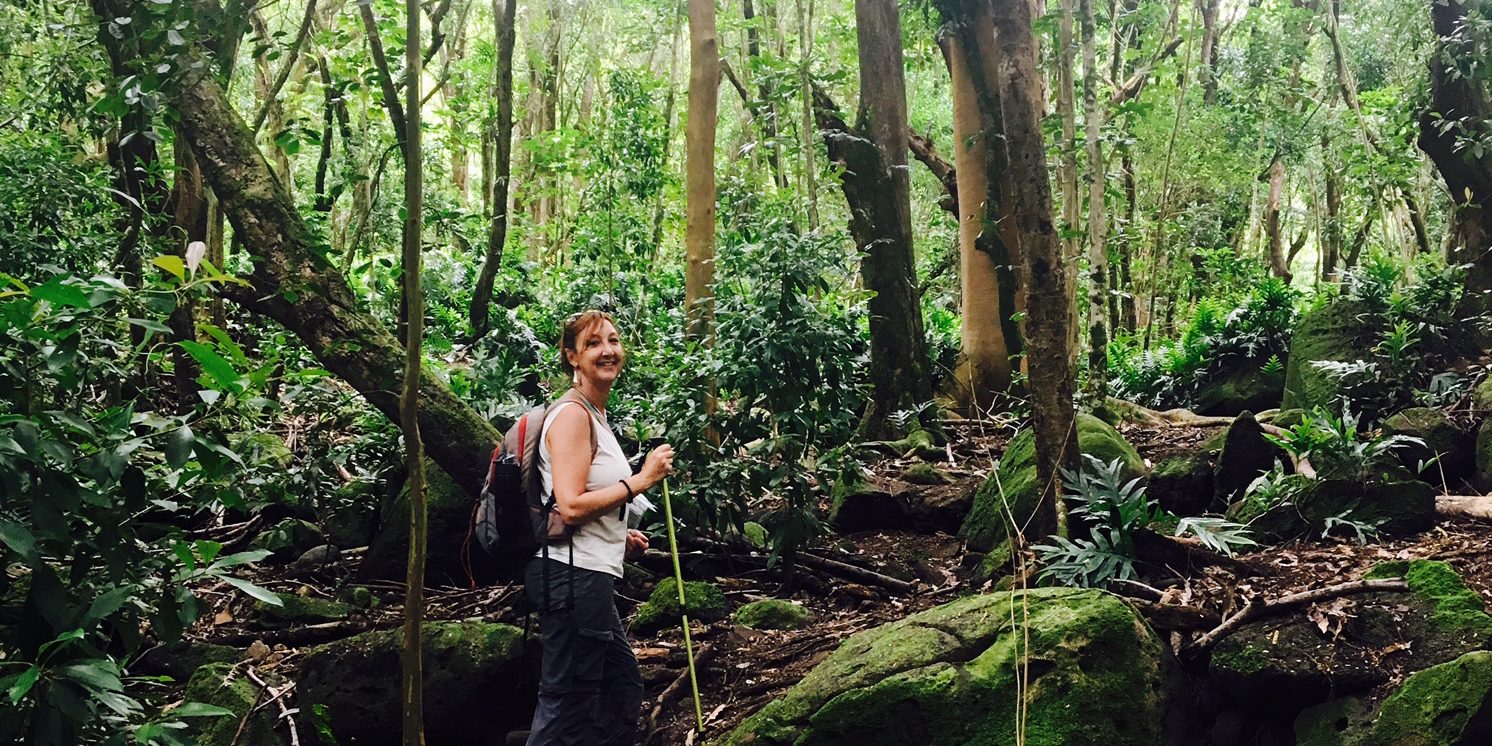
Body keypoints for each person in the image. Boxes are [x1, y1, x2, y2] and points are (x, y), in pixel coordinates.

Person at [525, 310, 674, 746]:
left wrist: (617, 533)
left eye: (613, 340)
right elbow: (570, 506)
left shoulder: (596, 414)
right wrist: (642, 480)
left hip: (584, 573)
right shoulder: (573, 416)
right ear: (572, 357)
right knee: (568, 701)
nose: (608, 351)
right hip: (570, 578)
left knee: (619, 687)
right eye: (593, 344)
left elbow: (571, 501)